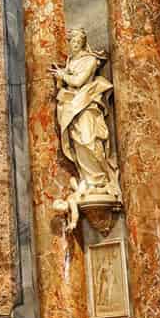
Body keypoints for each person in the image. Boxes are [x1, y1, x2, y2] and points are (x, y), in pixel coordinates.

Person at [53, 29, 119, 198]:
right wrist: (61, 78)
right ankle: (88, 179)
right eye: (71, 42)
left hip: (86, 105)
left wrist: (62, 75)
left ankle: (100, 179)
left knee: (89, 140)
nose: (73, 45)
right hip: (71, 106)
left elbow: (78, 81)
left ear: (83, 43)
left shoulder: (90, 60)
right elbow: (65, 85)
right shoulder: (70, 61)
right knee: (77, 143)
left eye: (77, 42)